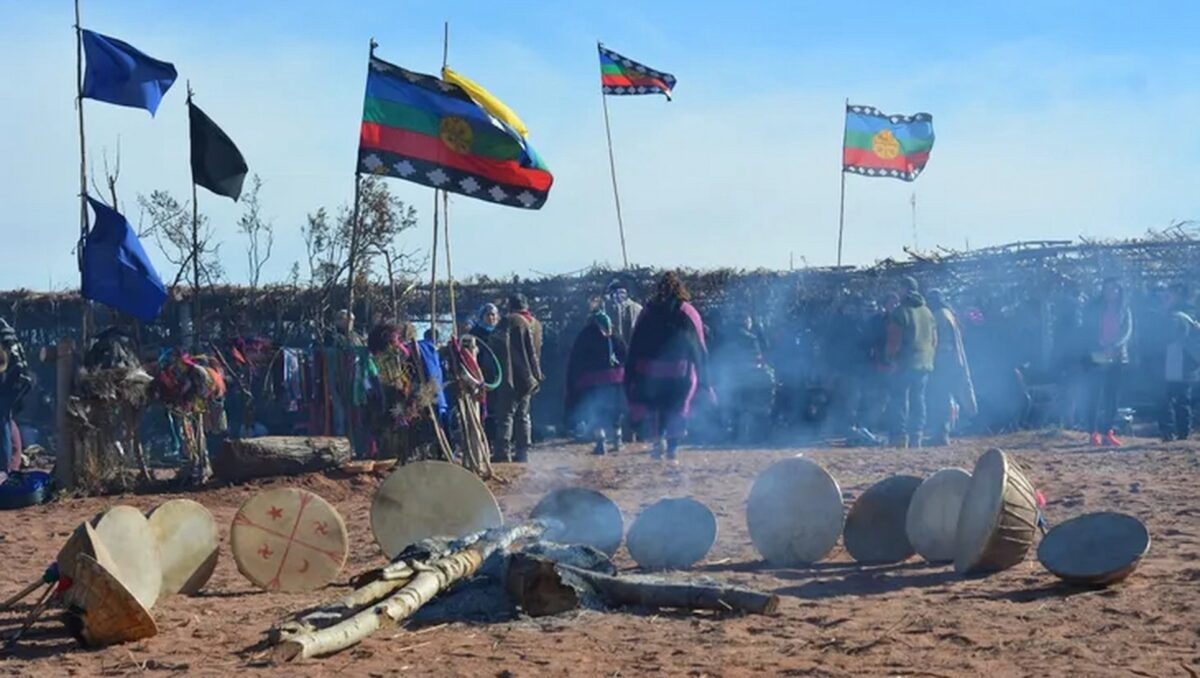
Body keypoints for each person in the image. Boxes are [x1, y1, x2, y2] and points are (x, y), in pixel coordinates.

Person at [624, 272, 712, 462]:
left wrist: (630, 378)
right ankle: (672, 450)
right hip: (679, 374)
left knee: (656, 411)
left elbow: (635, 345)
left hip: (650, 373)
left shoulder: (647, 312)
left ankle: (658, 446)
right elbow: (699, 348)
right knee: (677, 410)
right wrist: (705, 383)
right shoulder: (688, 312)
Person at [488, 294, 544, 463]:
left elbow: (495, 344)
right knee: (523, 415)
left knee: (505, 415)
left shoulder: (510, 321)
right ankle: (523, 452)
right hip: (529, 377)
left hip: (510, 374)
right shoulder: (536, 324)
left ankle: (502, 452)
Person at [885, 276, 937, 448]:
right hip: (925, 363)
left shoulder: (901, 312)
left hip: (904, 363)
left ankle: (899, 438)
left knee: (899, 400)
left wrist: (891, 359)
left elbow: (894, 339)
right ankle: (916, 437)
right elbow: (934, 340)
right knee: (918, 399)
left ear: (905, 289)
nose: (898, 292)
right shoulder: (927, 311)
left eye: (899, 288)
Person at [566, 311, 627, 455]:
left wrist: (575, 380)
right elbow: (625, 353)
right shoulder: (615, 336)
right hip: (615, 379)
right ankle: (618, 440)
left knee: (597, 410)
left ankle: (601, 442)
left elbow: (576, 358)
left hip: (593, 380)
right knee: (615, 410)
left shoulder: (586, 335)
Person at [1081, 277, 1133, 447]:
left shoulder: (1124, 310)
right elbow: (1087, 330)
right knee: (1094, 396)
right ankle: (1093, 432)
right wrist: (1099, 345)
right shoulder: (1094, 309)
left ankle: (1107, 431)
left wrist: (1115, 346)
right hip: (1097, 356)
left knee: (1112, 396)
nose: (1111, 292)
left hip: (1117, 357)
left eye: (1115, 289)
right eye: (1108, 288)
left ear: (1120, 291)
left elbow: (1127, 331)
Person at [925, 290, 977, 446]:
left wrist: (935, 360)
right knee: (948, 396)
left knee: (941, 397)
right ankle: (944, 431)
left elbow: (943, 343)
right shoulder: (948, 313)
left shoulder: (939, 315)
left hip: (944, 361)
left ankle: (942, 433)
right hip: (953, 361)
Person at [1161, 311, 1200, 442]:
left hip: (1178, 365)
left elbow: (1175, 339)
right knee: (1183, 400)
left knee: (1171, 400)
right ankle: (1182, 433)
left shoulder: (1177, 317)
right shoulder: (1188, 319)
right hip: (1187, 367)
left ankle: (1171, 433)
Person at [0, 317, 30, 482]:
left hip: (12, 379)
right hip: (15, 380)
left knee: (2, 418)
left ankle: (3, 470)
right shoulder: (4, 328)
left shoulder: (2, 334)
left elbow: (4, 364)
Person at [603, 280, 642, 345]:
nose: (619, 295)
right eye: (615, 293)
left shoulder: (637, 308)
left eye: (622, 292)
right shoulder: (606, 309)